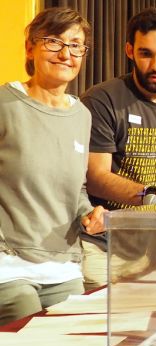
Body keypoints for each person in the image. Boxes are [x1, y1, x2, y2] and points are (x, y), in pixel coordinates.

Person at [80, 7, 156, 289]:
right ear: (129, 51)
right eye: (146, 53)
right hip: (101, 247)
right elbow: (96, 178)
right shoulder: (102, 100)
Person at [0, 7, 105, 325]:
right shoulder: (5, 104)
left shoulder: (81, 116)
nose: (65, 53)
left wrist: (90, 213)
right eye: (53, 41)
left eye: (75, 45)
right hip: (8, 266)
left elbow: (77, 190)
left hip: (64, 266)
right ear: (30, 47)